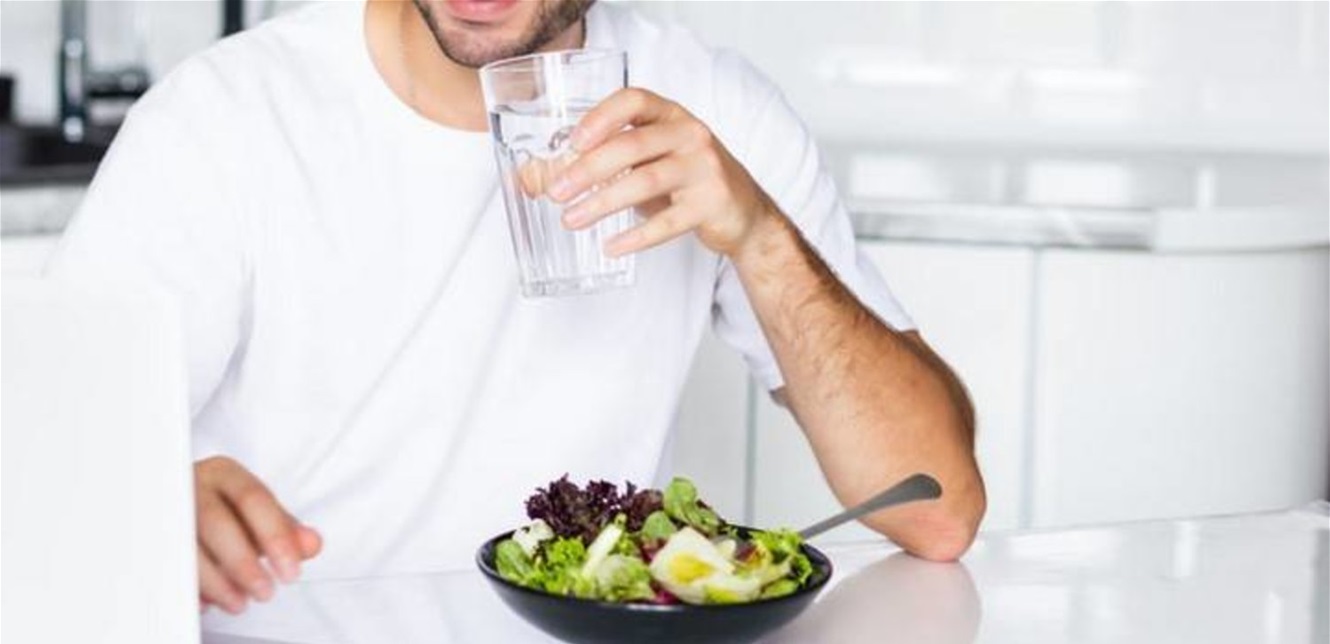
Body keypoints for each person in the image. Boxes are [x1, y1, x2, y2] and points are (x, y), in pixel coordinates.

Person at [48, 0, 986, 615]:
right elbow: (44, 457)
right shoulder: (226, 117)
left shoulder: (713, 109)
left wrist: (761, 238)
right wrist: (143, 493)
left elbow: (938, 510)